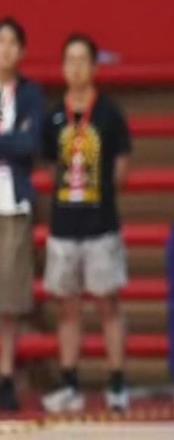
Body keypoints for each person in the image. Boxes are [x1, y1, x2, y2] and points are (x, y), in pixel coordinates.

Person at [41, 34, 131, 413]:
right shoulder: (53, 117)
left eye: (83, 60)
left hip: (102, 225)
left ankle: (117, 383)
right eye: (70, 60)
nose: (76, 67)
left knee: (109, 304)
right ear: (63, 67)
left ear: (94, 66)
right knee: (68, 308)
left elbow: (121, 168)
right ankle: (69, 384)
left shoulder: (109, 114)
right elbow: (50, 167)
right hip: (63, 227)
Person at [0, 17, 45, 411]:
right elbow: (16, 141)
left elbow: (31, 143)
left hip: (13, 203)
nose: (5, 50)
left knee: (10, 297)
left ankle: (5, 375)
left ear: (23, 51)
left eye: (12, 43)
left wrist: (8, 141)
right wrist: (9, 141)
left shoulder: (31, 95)